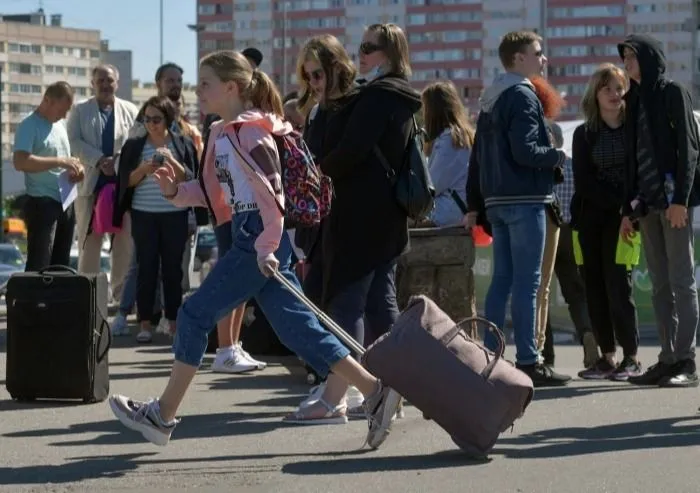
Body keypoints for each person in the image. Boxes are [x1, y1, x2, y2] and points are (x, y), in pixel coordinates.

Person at [108, 50, 400, 448]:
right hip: (259, 235)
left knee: (193, 315)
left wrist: (265, 246)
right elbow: (215, 195)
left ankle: (163, 415)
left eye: (206, 83)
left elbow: (272, 194)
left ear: (232, 87)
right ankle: (374, 391)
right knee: (297, 327)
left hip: (258, 236)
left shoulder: (251, 132)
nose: (199, 90)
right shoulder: (221, 132)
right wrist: (176, 191)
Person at [465, 31, 570, 386]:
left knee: (502, 281)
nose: (543, 59)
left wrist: (476, 204)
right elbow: (525, 151)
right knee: (528, 284)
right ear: (519, 59)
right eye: (538, 53)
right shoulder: (523, 95)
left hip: (497, 202)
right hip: (525, 201)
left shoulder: (490, 98)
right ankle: (529, 360)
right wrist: (557, 155)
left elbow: (478, 158)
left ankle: (491, 356)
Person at [618, 34, 700, 388]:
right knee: (659, 286)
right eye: (624, 58)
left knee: (682, 282)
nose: (626, 64)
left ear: (649, 58)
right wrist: (628, 210)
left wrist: (681, 199)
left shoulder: (672, 92)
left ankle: (686, 360)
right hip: (647, 206)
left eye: (632, 57)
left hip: (673, 204)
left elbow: (689, 148)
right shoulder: (634, 100)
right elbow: (632, 159)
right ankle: (667, 358)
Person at [572, 63, 641, 381]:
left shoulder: (635, 128)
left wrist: (626, 209)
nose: (615, 94)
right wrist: (616, 203)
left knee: (619, 286)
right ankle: (607, 356)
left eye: (619, 87)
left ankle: (631, 356)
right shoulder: (584, 133)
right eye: (607, 88)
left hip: (626, 220)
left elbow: (639, 174)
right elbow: (583, 181)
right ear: (595, 94)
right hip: (589, 220)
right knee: (594, 287)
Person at [67, 64, 139, 304]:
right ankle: (88, 296)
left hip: (123, 187)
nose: (106, 85)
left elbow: (138, 143)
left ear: (117, 83)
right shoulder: (79, 111)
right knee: (89, 243)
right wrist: (99, 160)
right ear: (92, 84)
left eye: (109, 80)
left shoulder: (130, 110)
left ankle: (120, 297)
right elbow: (73, 142)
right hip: (92, 187)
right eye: (100, 81)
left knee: (125, 242)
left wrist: (118, 162)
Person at [12, 82, 84, 271]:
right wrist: (60, 161)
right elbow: (21, 162)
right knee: (40, 263)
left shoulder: (59, 124)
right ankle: (34, 301)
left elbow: (63, 159)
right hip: (42, 203)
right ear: (47, 101)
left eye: (67, 111)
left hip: (66, 200)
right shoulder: (29, 125)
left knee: (60, 265)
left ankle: (56, 301)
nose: (64, 116)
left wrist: (75, 169)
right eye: (61, 110)